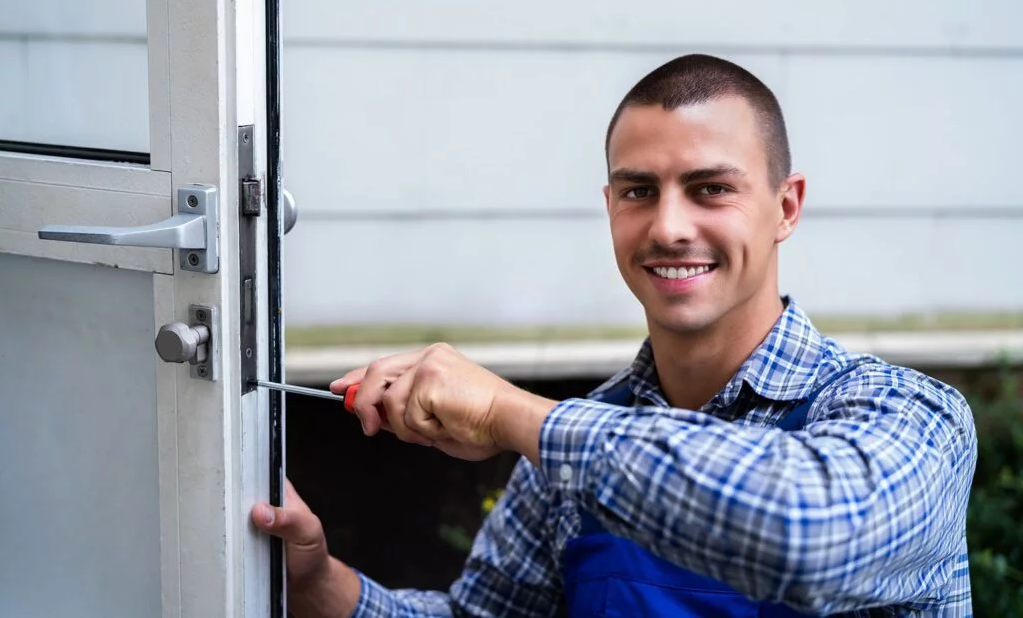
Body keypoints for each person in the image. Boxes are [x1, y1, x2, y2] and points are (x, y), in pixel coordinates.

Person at [252, 54, 977, 617]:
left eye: (710, 188)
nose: (667, 226)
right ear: (609, 207)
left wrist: (512, 413)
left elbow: (809, 535)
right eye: (638, 191)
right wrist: (316, 580)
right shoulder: (567, 448)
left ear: (785, 206)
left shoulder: (913, 417)